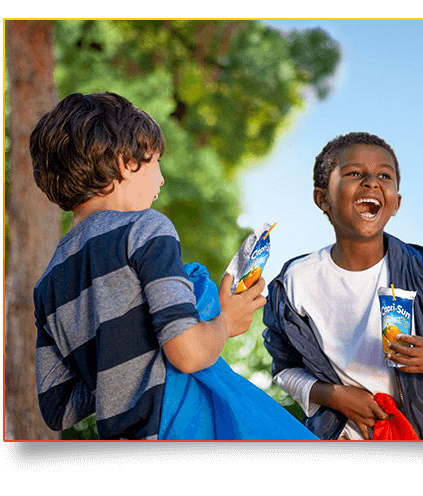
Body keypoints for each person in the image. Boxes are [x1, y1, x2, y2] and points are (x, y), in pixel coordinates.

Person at [31, 92, 267, 439]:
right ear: (126, 161)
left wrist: (121, 364)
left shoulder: (47, 284)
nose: (161, 179)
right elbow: (188, 354)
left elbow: (58, 407)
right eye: (156, 161)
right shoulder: (145, 228)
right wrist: (226, 321)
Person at [263, 132, 423, 440]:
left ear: (396, 203)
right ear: (322, 198)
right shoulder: (296, 280)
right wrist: (334, 396)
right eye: (354, 173)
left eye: (384, 175)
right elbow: (285, 370)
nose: (371, 182)